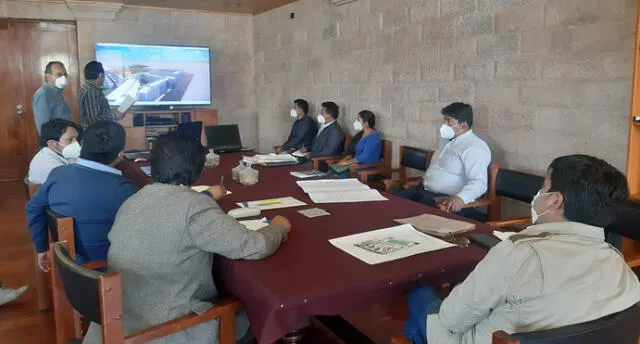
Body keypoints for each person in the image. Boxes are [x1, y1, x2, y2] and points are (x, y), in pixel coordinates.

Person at [403, 154, 640, 344]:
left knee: (419, 292)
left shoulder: (519, 254)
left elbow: (451, 320)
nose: (538, 194)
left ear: (555, 200)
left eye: (544, 186)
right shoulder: (620, 265)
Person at [81, 132, 291, 344]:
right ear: (198, 169)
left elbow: (171, 211)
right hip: (166, 330)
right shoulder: (194, 207)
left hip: (118, 319)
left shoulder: (135, 198)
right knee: (254, 317)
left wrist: (205, 196)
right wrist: (278, 228)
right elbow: (254, 246)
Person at [26, 121, 137, 271]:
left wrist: (41, 247)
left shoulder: (58, 173)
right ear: (120, 154)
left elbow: (32, 207)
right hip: (104, 269)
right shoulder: (122, 189)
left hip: (67, 262)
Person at [398, 102, 490, 220]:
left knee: (407, 217)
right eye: (444, 120)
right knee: (390, 205)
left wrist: (460, 198)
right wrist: (424, 180)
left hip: (445, 201)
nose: (444, 124)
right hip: (424, 191)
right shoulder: (446, 141)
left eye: (448, 121)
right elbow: (438, 167)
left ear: (463, 125)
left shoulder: (475, 147)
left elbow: (479, 182)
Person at [27, 119, 82, 184]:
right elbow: (76, 184)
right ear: (52, 144)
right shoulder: (52, 167)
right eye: (70, 140)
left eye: (77, 139)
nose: (77, 144)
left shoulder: (53, 152)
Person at [329, 110, 382, 178]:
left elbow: (363, 157)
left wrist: (346, 163)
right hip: (355, 166)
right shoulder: (361, 134)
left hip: (366, 169)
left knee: (335, 177)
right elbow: (352, 152)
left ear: (366, 122)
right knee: (330, 172)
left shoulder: (373, 137)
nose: (356, 121)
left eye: (358, 119)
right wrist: (343, 162)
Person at [78, 61, 125, 128]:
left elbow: (96, 111)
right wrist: (115, 116)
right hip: (96, 133)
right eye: (104, 75)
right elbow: (95, 119)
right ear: (100, 75)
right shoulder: (92, 91)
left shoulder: (86, 88)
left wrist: (111, 111)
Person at [32, 61, 72, 134]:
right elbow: (43, 128)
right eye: (59, 75)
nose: (63, 78)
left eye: (65, 75)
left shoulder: (58, 93)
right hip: (55, 141)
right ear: (47, 76)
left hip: (66, 138)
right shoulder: (43, 95)